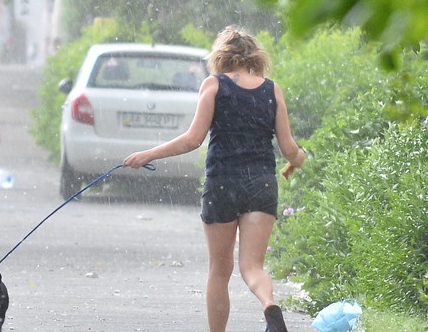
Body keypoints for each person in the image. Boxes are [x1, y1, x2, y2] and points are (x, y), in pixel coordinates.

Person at [122, 26, 306, 332]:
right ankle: (270, 307)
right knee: (252, 267)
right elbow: (289, 149)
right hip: (261, 184)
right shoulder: (272, 89)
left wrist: (149, 154)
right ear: (255, 58)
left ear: (221, 56)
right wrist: (299, 160)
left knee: (220, 270)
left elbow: (193, 140)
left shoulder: (214, 85)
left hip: (222, 182)